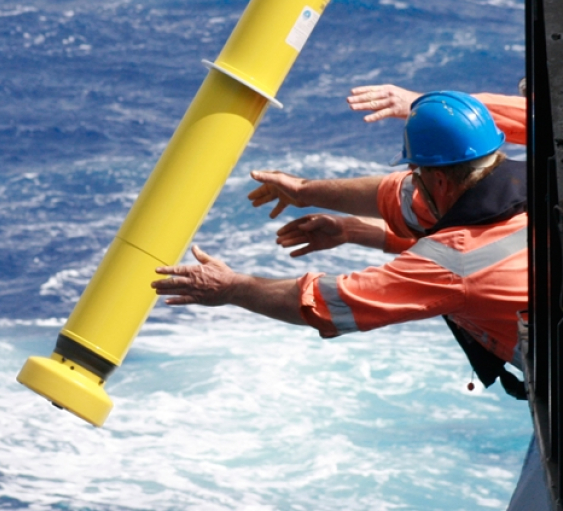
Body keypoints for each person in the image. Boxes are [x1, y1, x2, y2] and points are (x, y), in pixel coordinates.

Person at [150, 86, 529, 395]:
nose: (412, 181)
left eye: (417, 172)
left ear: (440, 180)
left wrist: (232, 288)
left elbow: (331, 302)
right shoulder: (528, 184)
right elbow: (400, 198)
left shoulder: (455, 263)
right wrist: (310, 196)